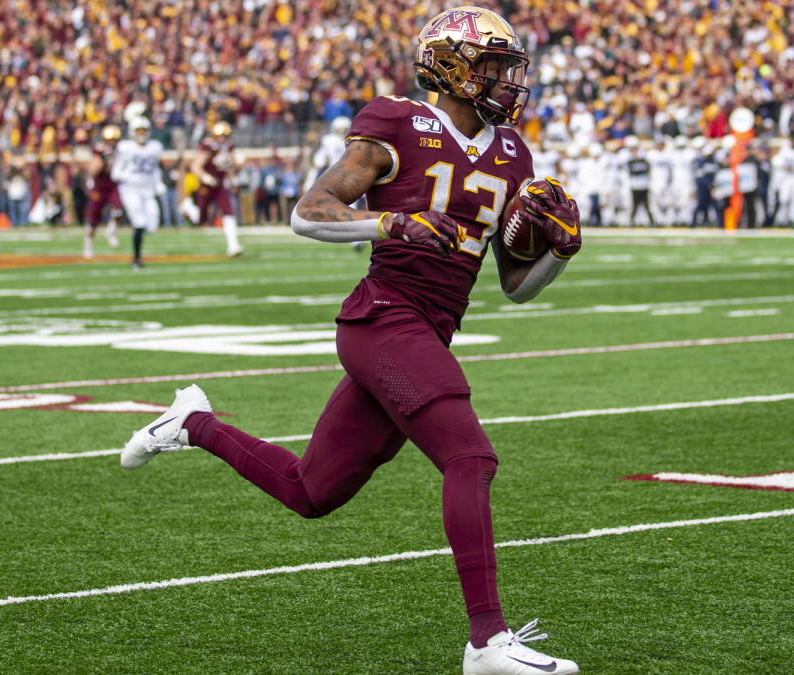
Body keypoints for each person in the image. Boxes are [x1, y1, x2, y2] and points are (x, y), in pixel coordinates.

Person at [119, 7, 581, 675]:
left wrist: (561, 251)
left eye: (510, 68)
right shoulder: (399, 122)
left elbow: (514, 284)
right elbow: (309, 211)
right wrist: (392, 225)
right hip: (383, 316)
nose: (507, 81)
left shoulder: (514, 153)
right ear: (451, 65)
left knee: (313, 491)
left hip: (428, 331)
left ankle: (194, 423)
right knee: (471, 457)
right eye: (494, 66)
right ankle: (487, 642)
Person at [180, 121, 243, 257]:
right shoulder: (208, 146)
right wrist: (207, 178)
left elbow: (230, 166)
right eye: (220, 135)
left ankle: (233, 245)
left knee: (228, 211)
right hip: (207, 185)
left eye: (225, 135)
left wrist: (234, 180)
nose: (222, 138)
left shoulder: (229, 147)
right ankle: (188, 207)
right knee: (200, 218)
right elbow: (196, 166)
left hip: (220, 185)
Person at [112, 117, 165, 268]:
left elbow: (155, 169)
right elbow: (116, 172)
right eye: (138, 130)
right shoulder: (126, 148)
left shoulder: (154, 147)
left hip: (148, 190)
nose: (141, 133)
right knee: (139, 222)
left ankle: (136, 253)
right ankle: (136, 259)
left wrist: (158, 183)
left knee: (153, 224)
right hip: (131, 189)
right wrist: (127, 177)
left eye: (144, 130)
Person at [84, 124, 123, 258]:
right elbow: (94, 167)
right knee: (94, 218)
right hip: (99, 186)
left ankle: (110, 230)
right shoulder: (100, 150)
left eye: (114, 139)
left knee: (119, 208)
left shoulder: (120, 150)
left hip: (112, 185)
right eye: (110, 139)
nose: (112, 141)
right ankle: (88, 243)